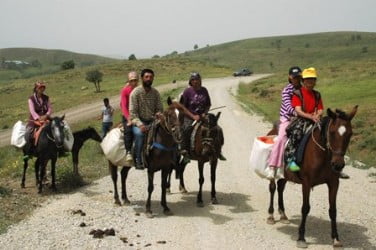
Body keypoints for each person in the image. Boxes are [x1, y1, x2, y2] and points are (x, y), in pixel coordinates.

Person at [180, 72, 226, 162]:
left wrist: (205, 113)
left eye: (197, 79)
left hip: (203, 116)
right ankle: (185, 152)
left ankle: (219, 151)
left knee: (217, 129)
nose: (195, 81)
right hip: (190, 117)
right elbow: (183, 108)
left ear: (200, 80)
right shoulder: (187, 92)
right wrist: (193, 116)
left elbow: (208, 104)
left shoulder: (204, 90)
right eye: (193, 80)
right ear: (190, 81)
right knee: (185, 130)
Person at [266, 66, 302, 180]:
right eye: (294, 77)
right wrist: (296, 114)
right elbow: (288, 106)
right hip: (287, 117)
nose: (296, 79)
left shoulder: (303, 89)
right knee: (281, 138)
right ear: (290, 77)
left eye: (298, 77)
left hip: (302, 117)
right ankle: (272, 167)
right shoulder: (287, 90)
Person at [285, 67, 323, 172]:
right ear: (303, 81)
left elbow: (320, 108)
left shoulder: (317, 94)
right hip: (302, 119)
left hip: (316, 118)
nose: (310, 81)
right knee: (296, 134)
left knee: (330, 133)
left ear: (315, 81)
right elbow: (298, 110)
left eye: (312, 79)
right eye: (308, 79)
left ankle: (335, 164)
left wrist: (318, 115)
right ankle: (290, 159)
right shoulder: (297, 93)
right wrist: (310, 116)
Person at [129, 69, 163, 170]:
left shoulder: (155, 92)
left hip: (153, 121)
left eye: (151, 77)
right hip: (139, 121)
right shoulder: (135, 93)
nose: (149, 79)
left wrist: (158, 114)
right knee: (139, 135)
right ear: (142, 78)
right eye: (146, 77)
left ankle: (170, 156)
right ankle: (138, 159)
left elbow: (160, 108)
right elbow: (132, 113)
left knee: (168, 131)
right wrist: (140, 124)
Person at [24, 81, 53, 159]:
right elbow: (32, 111)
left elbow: (50, 108)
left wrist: (46, 115)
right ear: (36, 89)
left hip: (46, 119)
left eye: (43, 87)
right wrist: (38, 118)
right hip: (34, 120)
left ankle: (60, 149)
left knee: (57, 129)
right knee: (27, 133)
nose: (42, 89)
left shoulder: (46, 97)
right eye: (40, 88)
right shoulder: (31, 99)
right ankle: (28, 152)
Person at [120, 71, 139, 165]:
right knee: (128, 130)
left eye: (135, 80)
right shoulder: (125, 91)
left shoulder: (140, 89)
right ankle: (128, 152)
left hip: (139, 115)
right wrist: (128, 118)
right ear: (129, 81)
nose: (134, 82)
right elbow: (123, 106)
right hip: (127, 115)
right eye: (132, 80)